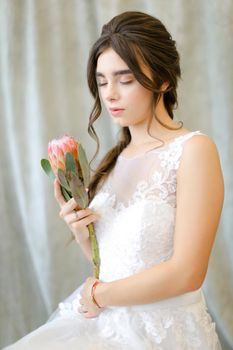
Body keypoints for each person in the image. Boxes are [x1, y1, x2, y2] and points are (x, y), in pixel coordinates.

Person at [4, 11, 224, 350]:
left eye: (125, 79)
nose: (109, 95)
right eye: (102, 81)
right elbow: (114, 263)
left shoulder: (193, 151)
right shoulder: (114, 160)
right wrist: (81, 233)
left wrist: (98, 293)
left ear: (163, 80)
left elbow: (188, 272)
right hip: (105, 319)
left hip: (161, 331)